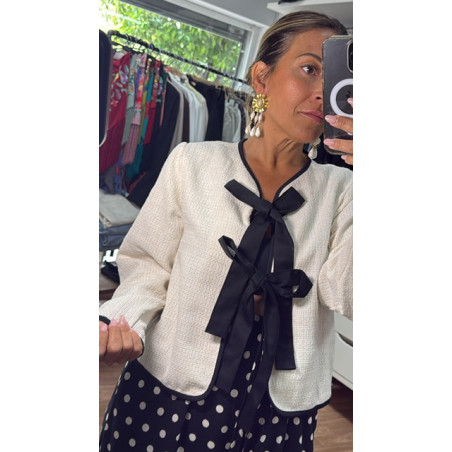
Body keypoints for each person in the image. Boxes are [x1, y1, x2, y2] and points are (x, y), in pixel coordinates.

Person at [99, 10, 353, 452]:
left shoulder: (344, 189)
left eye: (336, 81)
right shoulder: (192, 162)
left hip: (281, 410)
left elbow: (347, 295)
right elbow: (148, 265)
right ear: (262, 78)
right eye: (309, 69)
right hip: (167, 388)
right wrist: (122, 323)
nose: (321, 92)